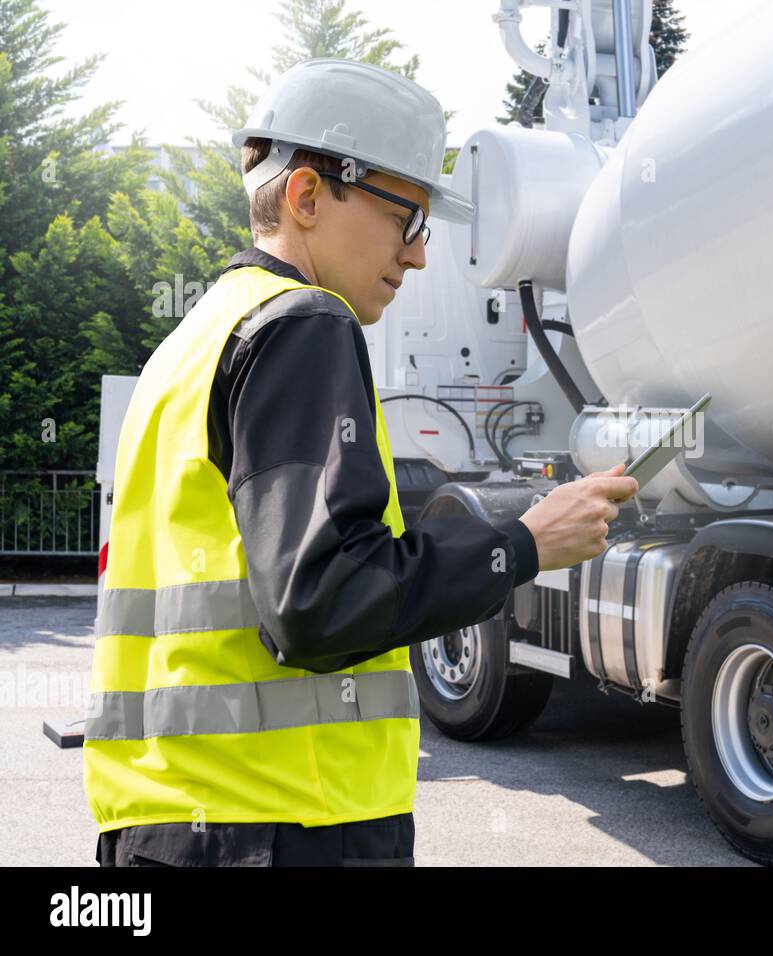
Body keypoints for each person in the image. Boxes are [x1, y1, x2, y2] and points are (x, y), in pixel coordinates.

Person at [86, 58, 637, 867]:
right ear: (309, 197)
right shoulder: (303, 324)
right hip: (285, 825)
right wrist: (524, 544)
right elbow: (321, 601)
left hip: (171, 820)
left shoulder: (193, 340)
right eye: (406, 219)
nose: (417, 256)